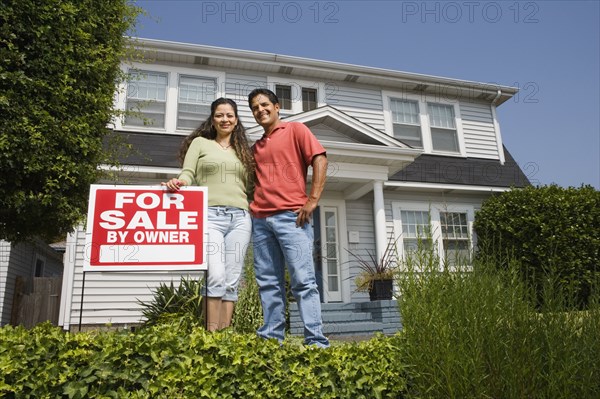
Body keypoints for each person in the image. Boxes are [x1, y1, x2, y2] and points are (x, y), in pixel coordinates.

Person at [247, 88, 330, 348]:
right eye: (254, 108)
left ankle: (315, 341)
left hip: (292, 219)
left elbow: (320, 159)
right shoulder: (256, 147)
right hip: (261, 221)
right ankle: (272, 339)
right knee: (269, 283)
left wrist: (313, 199)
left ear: (277, 106)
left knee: (303, 281)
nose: (260, 110)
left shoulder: (296, 130)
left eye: (264, 105)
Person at [163, 98, 254, 331]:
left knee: (232, 280)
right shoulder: (200, 144)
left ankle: (225, 340)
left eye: (230, 115)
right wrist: (179, 183)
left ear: (236, 120)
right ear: (213, 120)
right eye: (220, 115)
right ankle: (210, 337)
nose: (225, 119)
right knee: (215, 276)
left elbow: (252, 186)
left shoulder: (244, 151)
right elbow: (188, 173)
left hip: (240, 219)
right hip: (210, 216)